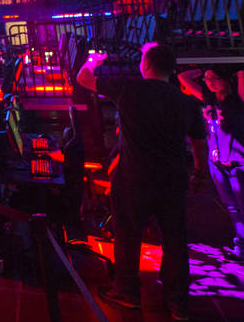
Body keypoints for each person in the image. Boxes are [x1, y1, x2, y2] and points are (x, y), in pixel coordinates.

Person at [76, 43, 206, 320]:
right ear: (171, 70)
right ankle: (178, 303)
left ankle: (128, 294)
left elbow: (83, 79)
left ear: (146, 65)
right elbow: (199, 143)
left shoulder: (129, 89)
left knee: (128, 235)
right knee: (175, 238)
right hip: (173, 179)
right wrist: (200, 173)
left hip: (134, 178)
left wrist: (93, 61)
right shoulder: (186, 102)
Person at [178, 67, 244, 277]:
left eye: (214, 78)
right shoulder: (209, 99)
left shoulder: (239, 100)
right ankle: (242, 248)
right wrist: (203, 70)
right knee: (233, 208)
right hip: (217, 163)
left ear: (226, 79)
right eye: (207, 79)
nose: (209, 82)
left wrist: (229, 66)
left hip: (239, 164)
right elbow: (182, 77)